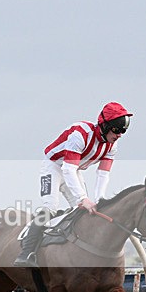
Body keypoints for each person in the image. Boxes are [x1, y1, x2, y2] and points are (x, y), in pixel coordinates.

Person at [14, 102, 133, 268]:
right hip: (54, 166)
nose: (120, 135)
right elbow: (68, 169)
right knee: (50, 207)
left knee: (83, 212)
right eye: (117, 129)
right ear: (105, 126)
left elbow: (103, 174)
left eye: (124, 131)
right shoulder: (80, 134)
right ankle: (26, 252)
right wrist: (83, 198)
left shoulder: (112, 145)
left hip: (73, 169)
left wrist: (99, 200)